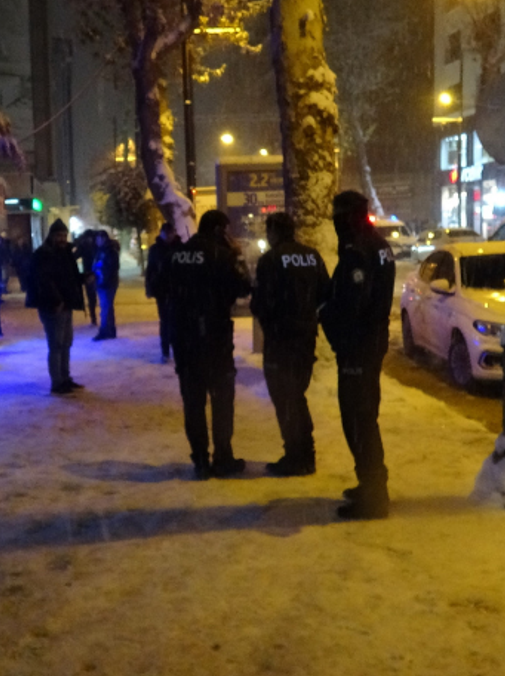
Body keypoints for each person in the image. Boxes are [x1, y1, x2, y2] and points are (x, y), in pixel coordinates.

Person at [320, 190, 397, 520]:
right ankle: (371, 483)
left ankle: (373, 492)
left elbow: (353, 303)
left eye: (338, 216)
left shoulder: (358, 250)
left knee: (358, 418)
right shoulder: (377, 244)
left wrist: (327, 315)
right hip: (370, 341)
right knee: (364, 416)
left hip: (358, 346)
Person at [162, 210, 253, 478]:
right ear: (218, 230)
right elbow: (243, 287)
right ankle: (223, 457)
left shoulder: (176, 254)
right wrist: (237, 256)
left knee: (193, 402)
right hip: (215, 338)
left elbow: (159, 286)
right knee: (222, 400)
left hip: (184, 338)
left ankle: (200, 459)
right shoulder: (221, 255)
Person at [251, 212, 330, 477]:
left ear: (274, 232)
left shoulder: (270, 260)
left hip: (280, 341)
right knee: (296, 396)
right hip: (305, 339)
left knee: (285, 398)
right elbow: (325, 294)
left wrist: (272, 322)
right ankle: (306, 454)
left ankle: (296, 456)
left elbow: (260, 303)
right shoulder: (312, 256)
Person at [26, 219, 86, 394]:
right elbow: (42, 281)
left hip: (66, 304)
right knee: (56, 344)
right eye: (59, 235)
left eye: (64, 235)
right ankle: (57, 382)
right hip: (52, 306)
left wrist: (84, 278)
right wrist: (55, 300)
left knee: (66, 343)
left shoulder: (65, 253)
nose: (62, 239)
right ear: (51, 236)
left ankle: (65, 378)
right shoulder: (42, 255)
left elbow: (70, 276)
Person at [145, 222, 180, 363]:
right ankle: (165, 351)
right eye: (166, 233)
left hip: (178, 289)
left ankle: (178, 349)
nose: (168, 236)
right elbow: (150, 269)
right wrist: (149, 288)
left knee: (177, 321)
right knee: (165, 321)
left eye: (171, 233)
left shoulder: (180, 248)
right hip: (162, 290)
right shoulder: (155, 249)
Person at [92, 230, 121, 341]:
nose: (96, 241)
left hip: (107, 283)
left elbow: (112, 268)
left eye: (98, 239)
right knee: (107, 307)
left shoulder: (109, 251)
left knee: (105, 307)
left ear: (103, 239)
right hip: (102, 282)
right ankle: (110, 329)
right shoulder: (102, 250)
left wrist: (103, 276)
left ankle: (104, 330)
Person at [76, 229, 99, 327]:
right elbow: (74, 256)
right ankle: (93, 318)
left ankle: (95, 318)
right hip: (90, 274)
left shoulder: (93, 246)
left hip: (94, 273)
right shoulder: (86, 246)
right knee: (92, 297)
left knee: (95, 297)